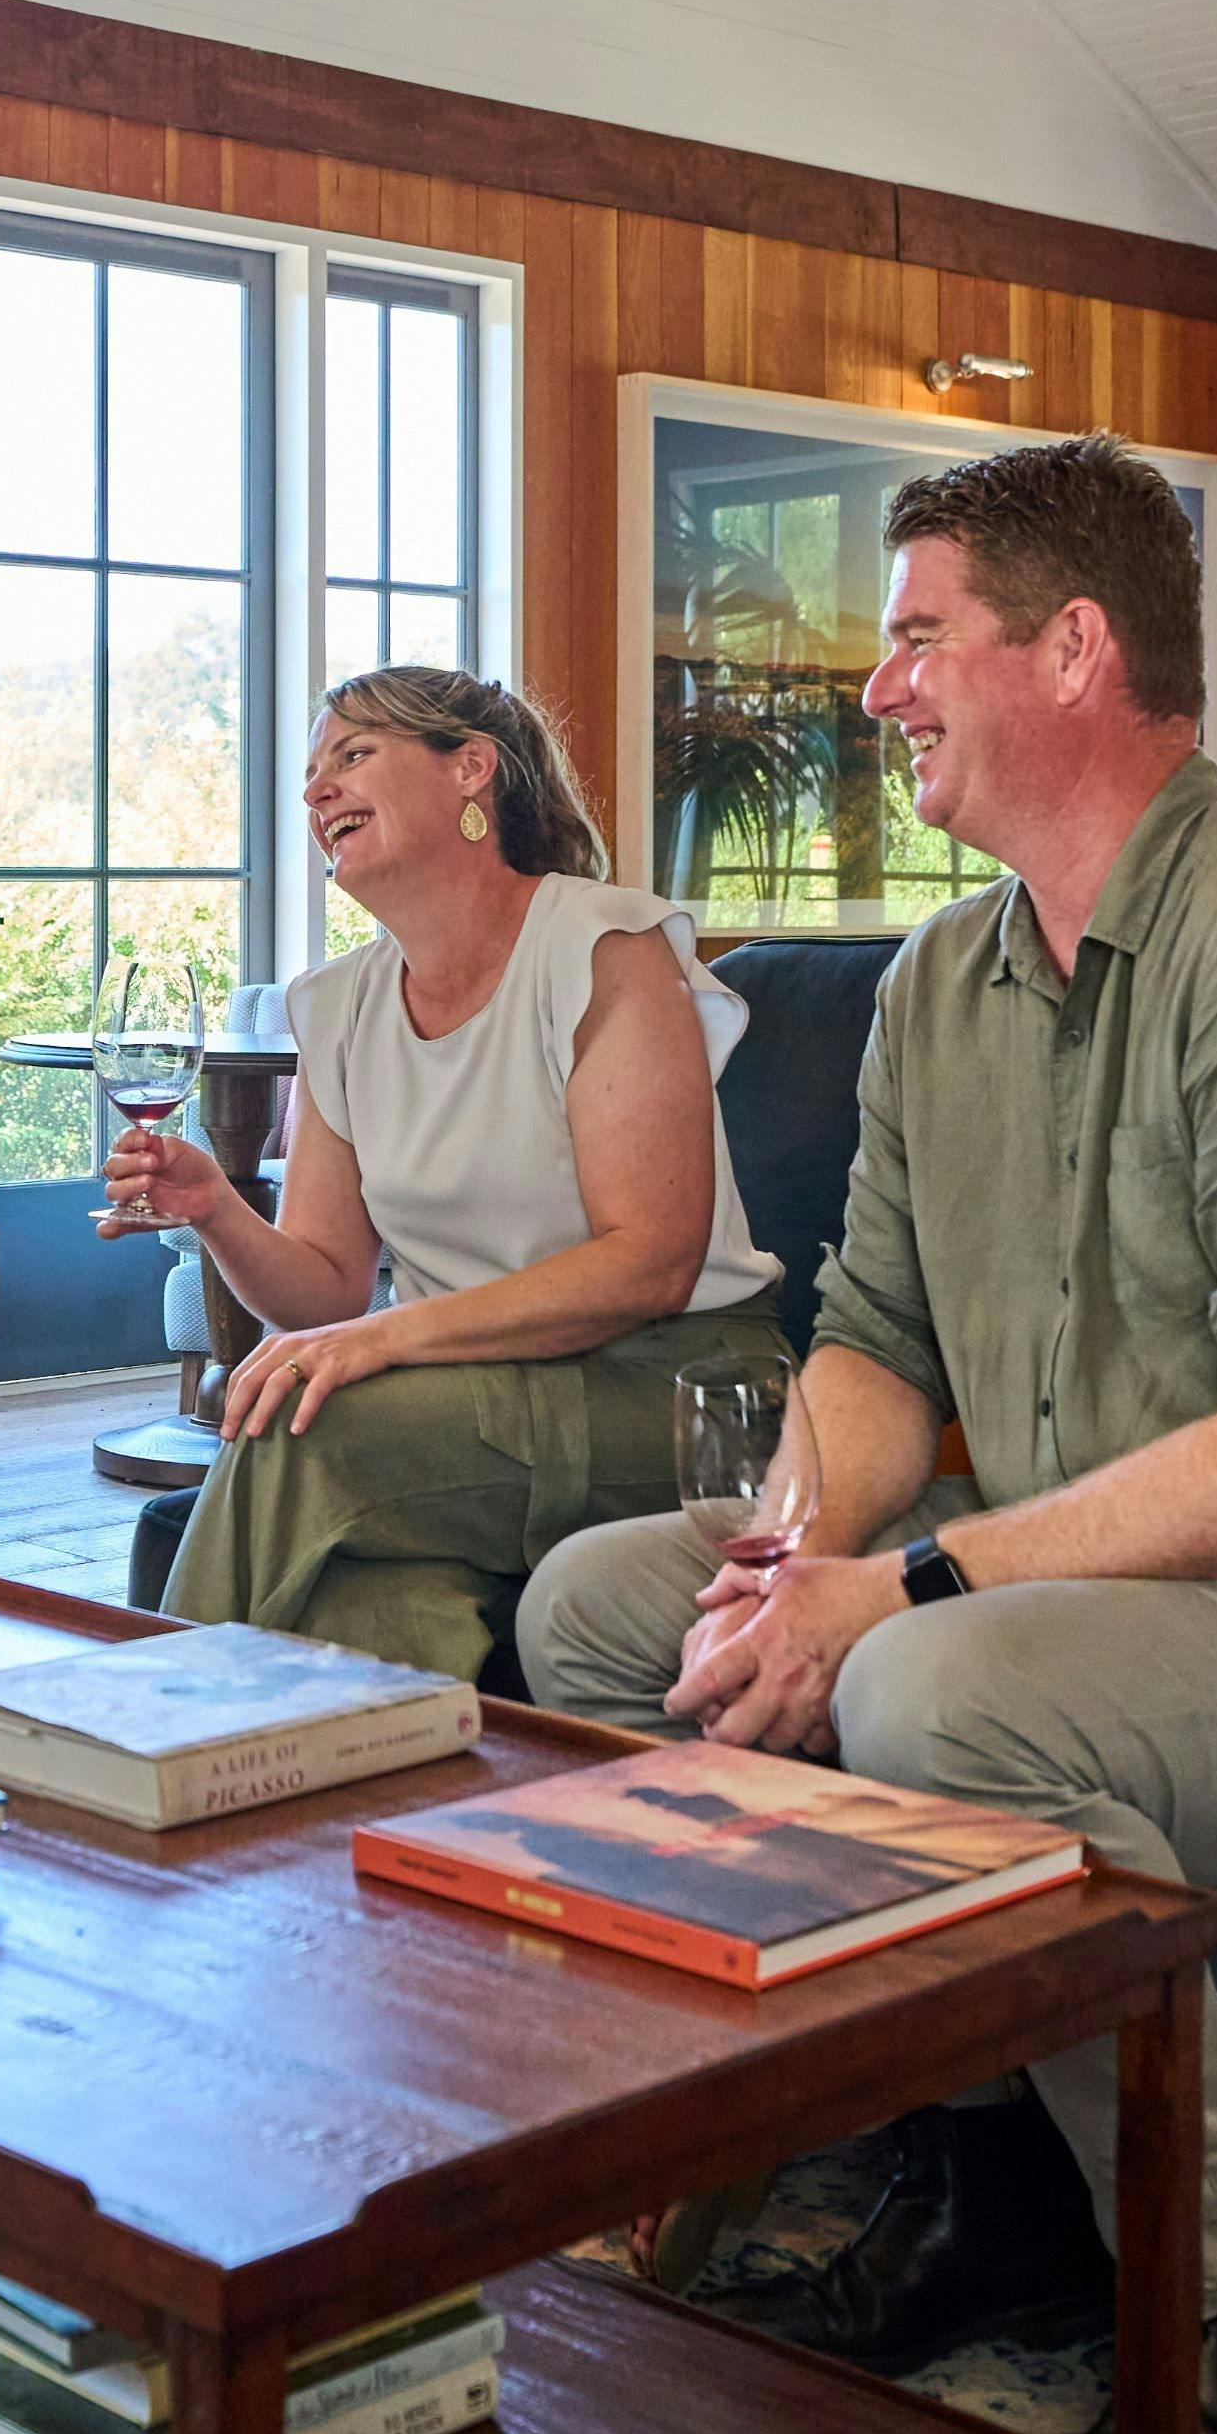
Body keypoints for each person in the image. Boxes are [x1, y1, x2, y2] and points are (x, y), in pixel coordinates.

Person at [515, 437, 1217, 2434]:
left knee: (932, 1682)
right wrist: (791, 1556)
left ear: (1074, 649)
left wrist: (905, 1591)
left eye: (920, 636)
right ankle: (986, 2172)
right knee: (608, 1602)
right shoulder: (946, 976)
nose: (881, 690)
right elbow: (867, 1340)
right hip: (1126, 1578)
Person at [107, 665, 792, 1685]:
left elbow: (647, 1262)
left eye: (351, 755)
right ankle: (411, 1818)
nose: (315, 792)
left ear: (471, 771)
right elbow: (326, 1283)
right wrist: (214, 1210)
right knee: (371, 1595)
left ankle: (142, 1721)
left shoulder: (604, 946)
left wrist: (378, 1338)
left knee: (304, 1424)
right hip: (467, 1392)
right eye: (309, 774)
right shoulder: (336, 1005)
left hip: (676, 1386)